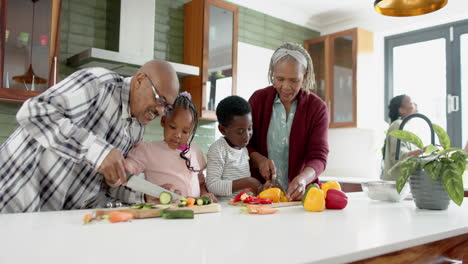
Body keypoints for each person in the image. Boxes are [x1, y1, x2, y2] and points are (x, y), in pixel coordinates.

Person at [0, 59, 179, 213]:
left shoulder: (137, 129)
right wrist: (96, 151)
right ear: (140, 80)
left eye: (167, 107)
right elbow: (33, 113)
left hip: (50, 220)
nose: (161, 110)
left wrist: (145, 196)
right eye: (160, 99)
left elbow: (105, 186)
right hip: (13, 199)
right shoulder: (99, 83)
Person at [247, 42, 329, 201]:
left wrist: (304, 179)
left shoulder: (317, 108)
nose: (286, 87)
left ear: (304, 76)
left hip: (301, 198)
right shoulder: (258, 100)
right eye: (279, 79)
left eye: (294, 80)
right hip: (261, 194)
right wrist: (260, 160)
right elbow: (243, 144)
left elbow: (319, 156)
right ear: (272, 73)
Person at [124, 92, 217, 202]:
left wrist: (205, 194)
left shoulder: (195, 150)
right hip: (162, 212)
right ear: (164, 121)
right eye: (173, 127)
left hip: (194, 213)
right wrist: (125, 165)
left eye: (185, 131)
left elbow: (200, 181)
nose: (177, 135)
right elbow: (125, 171)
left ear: (191, 132)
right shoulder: (147, 149)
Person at [206, 96, 262, 198]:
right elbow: (212, 186)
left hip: (243, 207)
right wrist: (247, 182)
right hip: (226, 209)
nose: (246, 136)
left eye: (249, 128)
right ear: (222, 129)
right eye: (240, 131)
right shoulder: (218, 149)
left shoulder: (243, 149)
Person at [382, 94, 423, 180]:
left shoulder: (407, 127)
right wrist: (424, 151)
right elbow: (398, 157)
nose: (415, 105)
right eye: (411, 103)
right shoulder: (397, 125)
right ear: (402, 110)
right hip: (395, 186)